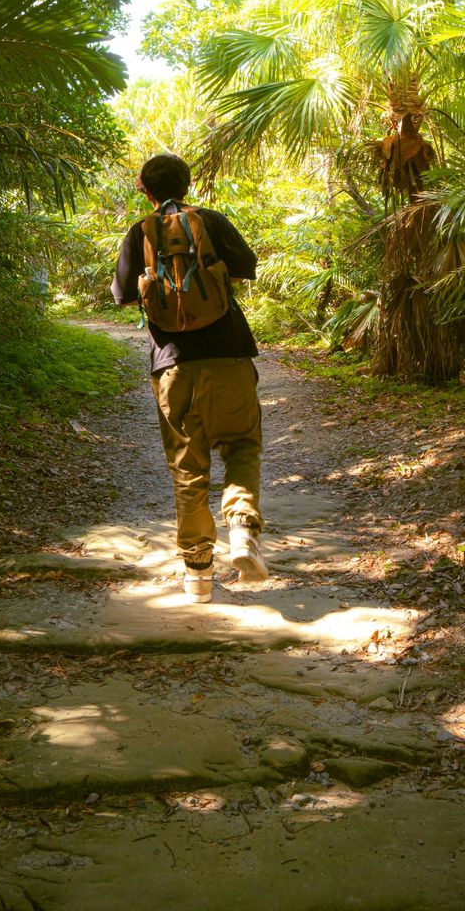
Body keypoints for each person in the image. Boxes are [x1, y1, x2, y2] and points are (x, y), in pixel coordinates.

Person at [112, 151, 268, 603]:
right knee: (241, 446)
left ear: (145, 187)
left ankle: (198, 576)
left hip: (172, 366)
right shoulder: (211, 222)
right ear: (188, 183)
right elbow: (246, 267)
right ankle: (242, 530)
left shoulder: (141, 232)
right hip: (231, 358)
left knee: (188, 467)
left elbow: (122, 294)